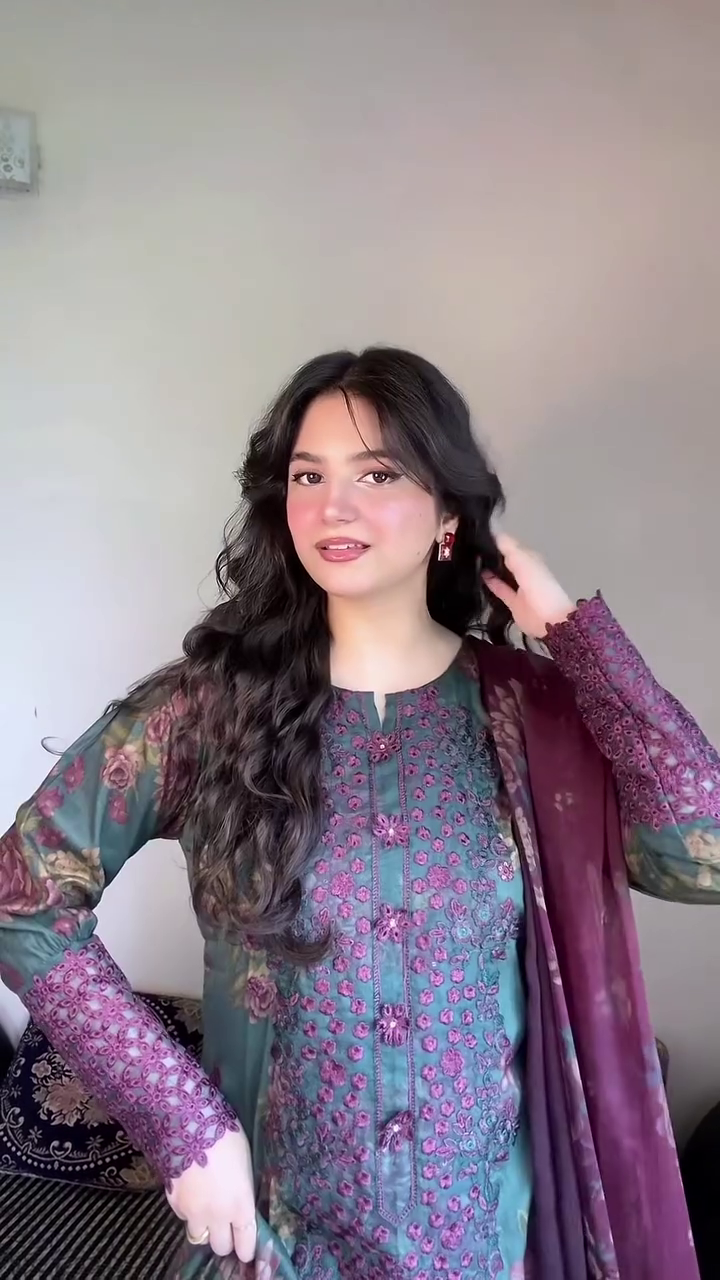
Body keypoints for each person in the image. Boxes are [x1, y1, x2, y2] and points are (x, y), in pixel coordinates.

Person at [0, 347, 718, 1280]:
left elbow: (703, 853)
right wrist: (183, 1126)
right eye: (310, 476)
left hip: (484, 1249)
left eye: (377, 474)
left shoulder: (531, 713)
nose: (334, 506)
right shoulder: (208, 710)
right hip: (272, 1248)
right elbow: (24, 897)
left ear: (448, 513)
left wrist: (576, 637)